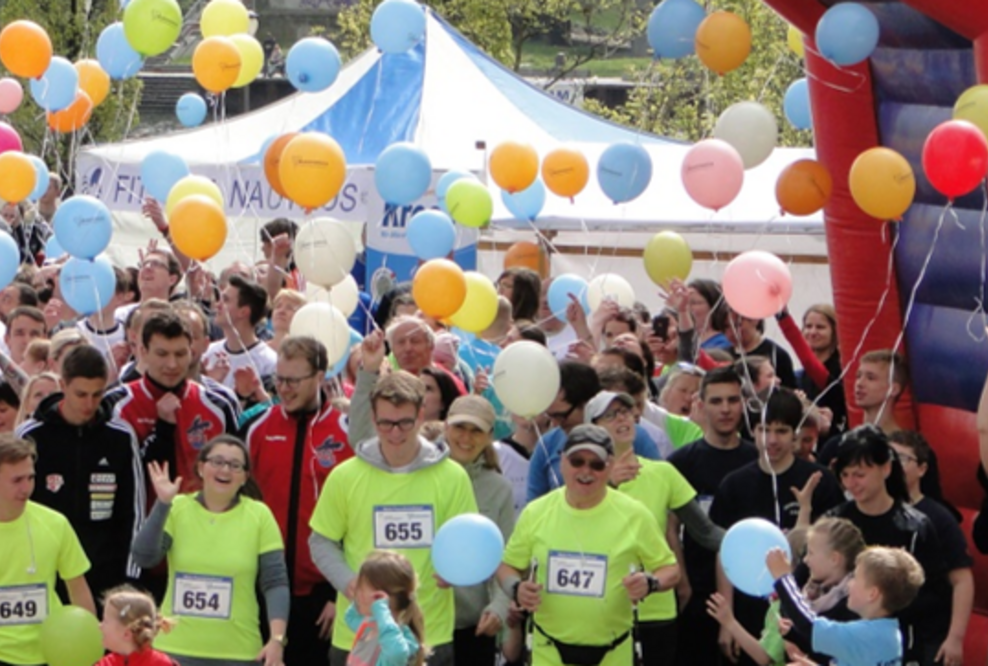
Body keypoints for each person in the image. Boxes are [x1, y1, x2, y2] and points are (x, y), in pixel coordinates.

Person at [308, 335, 478, 666]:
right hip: (362, 635)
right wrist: (349, 584)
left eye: (404, 423)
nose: (395, 432)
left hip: (427, 632)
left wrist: (457, 572)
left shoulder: (452, 476)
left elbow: (467, 543)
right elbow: (321, 542)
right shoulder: (346, 476)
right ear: (373, 419)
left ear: (420, 418)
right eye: (385, 423)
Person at [496, 424, 680, 666]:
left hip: (613, 651)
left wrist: (651, 583)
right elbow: (507, 565)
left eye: (597, 464)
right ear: (562, 461)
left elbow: (670, 570)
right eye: (577, 461)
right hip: (548, 649)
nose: (586, 471)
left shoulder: (634, 514)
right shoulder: (537, 512)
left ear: (610, 466)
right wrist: (516, 588)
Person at [587, 390, 724, 663]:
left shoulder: (663, 472)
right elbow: (576, 529)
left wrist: (751, 545)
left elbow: (706, 533)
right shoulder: (585, 479)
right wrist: (607, 483)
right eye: (611, 415)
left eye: (625, 411)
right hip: (602, 610)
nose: (622, 419)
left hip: (656, 609)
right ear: (593, 428)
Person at [710, 389, 844, 665]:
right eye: (764, 429)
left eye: (781, 431)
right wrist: (728, 619)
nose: (772, 440)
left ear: (795, 433)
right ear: (753, 430)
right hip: (749, 610)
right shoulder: (734, 484)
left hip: (806, 611)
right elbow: (725, 553)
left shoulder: (819, 481)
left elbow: (837, 548)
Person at [132, 436, 289, 666]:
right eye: (217, 461)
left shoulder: (260, 515)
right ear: (201, 467)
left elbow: (275, 581)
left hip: (238, 653)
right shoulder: (177, 508)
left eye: (235, 465)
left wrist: (276, 639)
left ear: (245, 477)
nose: (225, 469)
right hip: (174, 649)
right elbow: (144, 558)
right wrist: (162, 503)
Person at [245, 336, 353, 665]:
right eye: (279, 379)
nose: (284, 389)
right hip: (263, 588)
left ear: (320, 377)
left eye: (294, 380)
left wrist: (340, 594)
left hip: (323, 595)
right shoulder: (257, 428)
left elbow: (357, 519)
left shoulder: (345, 431)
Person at [18, 345, 145, 598]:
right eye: (81, 394)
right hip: (42, 570)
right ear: (63, 386)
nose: (89, 404)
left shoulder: (120, 436)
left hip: (104, 572)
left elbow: (134, 509)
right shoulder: (30, 435)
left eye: (97, 394)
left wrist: (130, 576)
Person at [827, 425, 953, 665]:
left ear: (885, 468)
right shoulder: (835, 523)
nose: (852, 484)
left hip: (898, 648)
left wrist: (885, 604)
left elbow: (937, 594)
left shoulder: (915, 527)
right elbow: (812, 576)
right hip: (844, 646)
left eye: (860, 474)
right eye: (845, 475)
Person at [666, 366, 757, 666]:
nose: (726, 409)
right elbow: (671, 526)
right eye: (717, 401)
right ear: (700, 405)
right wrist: (682, 581)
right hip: (698, 592)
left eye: (733, 400)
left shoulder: (758, 459)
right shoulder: (681, 462)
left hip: (752, 591)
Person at [106, 311, 238, 494]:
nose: (172, 364)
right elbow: (116, 473)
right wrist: (162, 430)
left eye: (180, 354)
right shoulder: (117, 404)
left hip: (201, 520)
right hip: (145, 519)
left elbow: (236, 475)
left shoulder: (217, 406)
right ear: (143, 352)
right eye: (162, 354)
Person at [708, 517, 865, 666]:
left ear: (834, 559)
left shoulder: (852, 604)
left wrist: (782, 579)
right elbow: (793, 611)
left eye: (811, 553)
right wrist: (790, 635)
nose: (806, 560)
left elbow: (813, 631)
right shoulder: (810, 584)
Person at [0, 435, 96, 666]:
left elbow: (78, 589)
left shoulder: (55, 523)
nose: (27, 488)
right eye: (17, 480)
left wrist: (89, 643)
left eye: (30, 478)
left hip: (49, 652)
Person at [888, 431, 973, 666]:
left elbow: (962, 581)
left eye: (903, 459)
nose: (895, 465)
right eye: (889, 457)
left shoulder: (938, 518)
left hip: (927, 636)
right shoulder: (872, 509)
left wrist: (955, 638)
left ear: (922, 469)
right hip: (882, 633)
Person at [442, 395, 514, 666]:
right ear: (446, 427)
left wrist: (499, 607)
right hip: (422, 620)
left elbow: (507, 557)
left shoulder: (499, 488)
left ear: (489, 436)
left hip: (474, 625)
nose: (466, 438)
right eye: (460, 427)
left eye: (476, 431)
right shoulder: (424, 475)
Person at [767, 545, 924, 666]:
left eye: (855, 578)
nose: (849, 583)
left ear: (872, 594)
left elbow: (808, 624)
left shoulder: (865, 635)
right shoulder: (888, 633)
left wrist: (783, 578)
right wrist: (794, 636)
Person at [528, 360, 660, 502]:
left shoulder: (632, 436)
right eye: (550, 416)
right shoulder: (547, 444)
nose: (554, 424)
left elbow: (660, 487)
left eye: (561, 416)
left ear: (588, 404)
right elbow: (533, 505)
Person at [818, 350, 907, 468]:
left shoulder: (907, 449)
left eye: (870, 378)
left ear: (893, 389)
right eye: (858, 376)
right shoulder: (837, 445)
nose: (859, 383)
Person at [345, 550, 426, 666]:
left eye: (361, 588)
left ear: (379, 598)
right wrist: (357, 600)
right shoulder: (371, 626)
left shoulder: (396, 639)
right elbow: (350, 617)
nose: (357, 592)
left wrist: (380, 609)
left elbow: (397, 652)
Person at [775, 305, 847, 434]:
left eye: (820, 327)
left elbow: (810, 364)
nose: (813, 332)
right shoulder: (800, 375)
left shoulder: (841, 369)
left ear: (835, 331)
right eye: (808, 326)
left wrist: (783, 318)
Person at [202, 275, 278, 397]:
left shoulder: (270, 362)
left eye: (225, 300)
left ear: (243, 312)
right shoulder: (208, 353)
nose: (217, 305)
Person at [96, 585, 179, 666]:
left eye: (105, 621)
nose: (100, 626)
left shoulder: (162, 663)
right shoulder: (105, 663)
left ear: (127, 634)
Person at [724, 310, 796, 388]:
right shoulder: (724, 355)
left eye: (737, 325)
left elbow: (789, 393)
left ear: (755, 320)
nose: (731, 332)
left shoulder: (777, 355)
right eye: (726, 327)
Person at [686, 279, 731, 350]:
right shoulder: (682, 340)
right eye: (685, 303)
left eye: (694, 303)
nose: (687, 308)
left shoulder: (723, 342)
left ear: (713, 305)